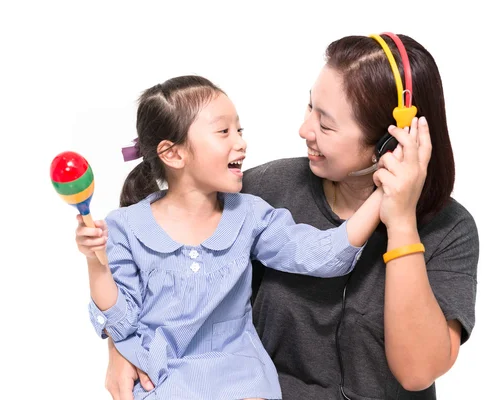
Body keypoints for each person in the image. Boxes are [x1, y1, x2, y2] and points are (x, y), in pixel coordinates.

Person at [88, 33, 479, 399]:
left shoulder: (450, 230)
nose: (303, 129)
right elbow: (158, 243)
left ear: (388, 142)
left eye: (325, 124)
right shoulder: (259, 190)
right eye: (310, 106)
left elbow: (417, 373)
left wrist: (401, 219)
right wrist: (121, 346)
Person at [80, 74, 387, 400]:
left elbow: (321, 253)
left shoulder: (251, 215)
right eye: (223, 131)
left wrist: (384, 193)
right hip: (162, 379)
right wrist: (95, 262)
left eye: (239, 130)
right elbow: (122, 322)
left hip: (240, 378)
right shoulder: (125, 227)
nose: (240, 142)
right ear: (173, 154)